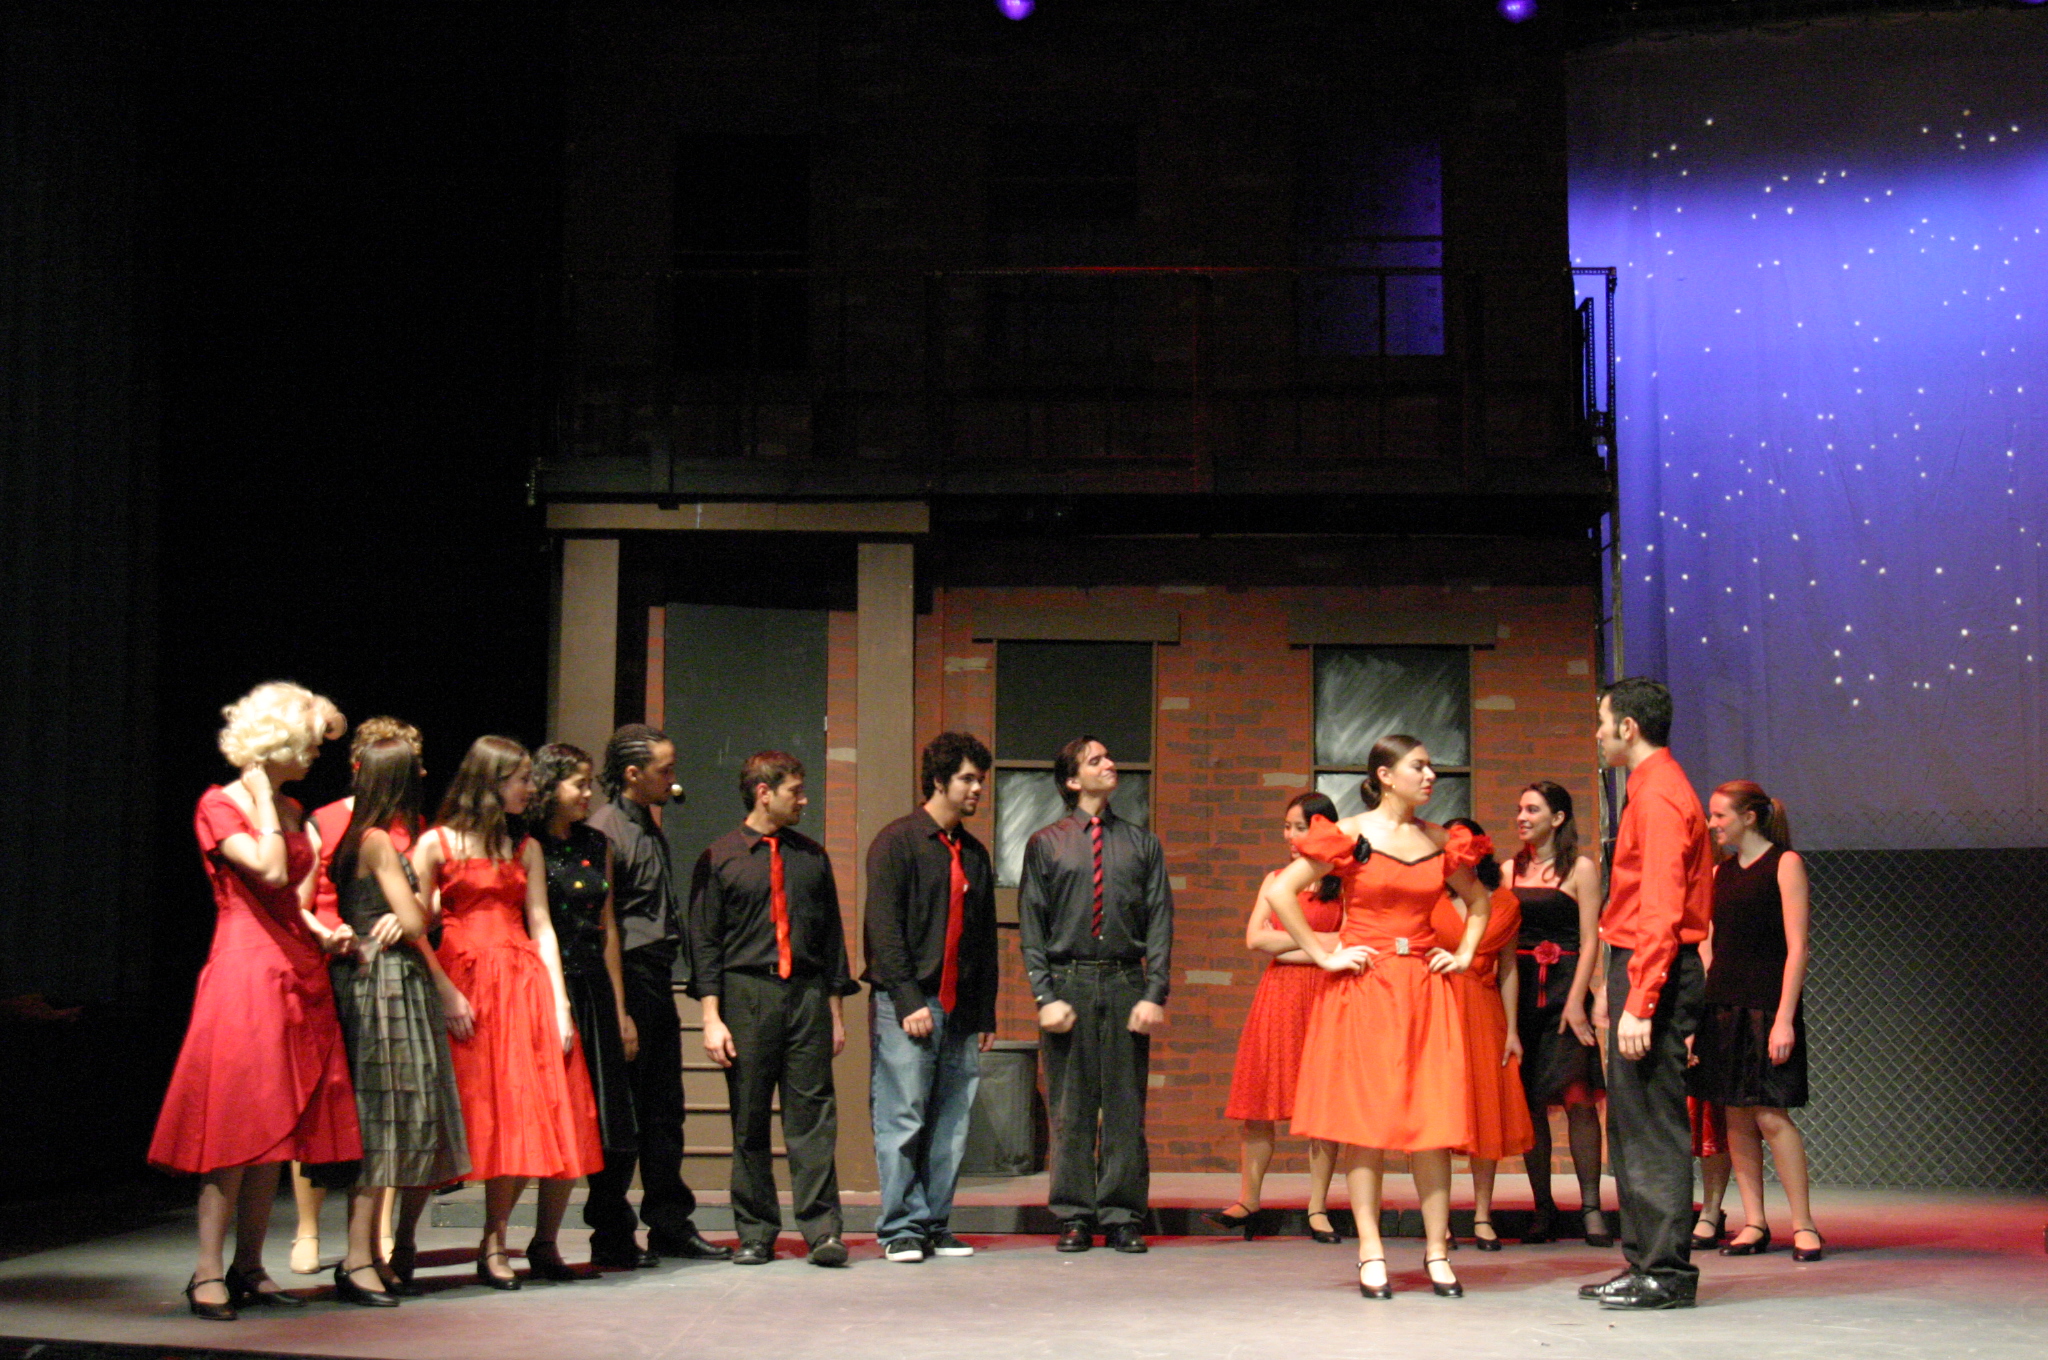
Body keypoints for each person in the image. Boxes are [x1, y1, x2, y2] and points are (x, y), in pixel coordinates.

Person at [149, 682, 357, 1321]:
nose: (316, 756)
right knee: (236, 1123)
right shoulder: (221, 803)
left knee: (281, 1124)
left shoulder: (292, 809)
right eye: (309, 744)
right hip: (245, 970)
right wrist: (264, 799)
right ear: (278, 743)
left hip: (296, 966)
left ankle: (249, 1264)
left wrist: (325, 931)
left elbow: (293, 896)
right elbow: (266, 869)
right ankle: (208, 1269)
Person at [1262, 735, 1492, 1300]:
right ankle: (1371, 1250)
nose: (1430, 775)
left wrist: (1464, 954)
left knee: (1432, 1125)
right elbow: (1284, 892)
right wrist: (1324, 954)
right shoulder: (1350, 835)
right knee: (1365, 1126)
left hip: (1424, 989)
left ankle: (1437, 1252)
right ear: (1385, 775)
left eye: (1431, 766)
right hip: (1365, 988)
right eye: (1419, 766)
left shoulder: (1439, 840)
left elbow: (1479, 902)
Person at [412, 736, 604, 1290]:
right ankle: (400, 1240)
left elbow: (541, 923)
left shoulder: (525, 848)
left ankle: (495, 1240)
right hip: (465, 979)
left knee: (521, 1112)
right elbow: (415, 925)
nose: (529, 788)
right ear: (491, 781)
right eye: (520, 778)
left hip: (521, 982)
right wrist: (444, 990)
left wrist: (559, 1002)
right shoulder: (436, 843)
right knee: (453, 1113)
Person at [689, 751, 857, 1267]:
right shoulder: (720, 858)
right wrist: (711, 1017)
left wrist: (834, 1012)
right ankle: (756, 1232)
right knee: (749, 1117)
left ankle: (822, 1231)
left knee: (813, 1117)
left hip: (806, 993)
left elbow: (831, 939)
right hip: (746, 994)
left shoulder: (812, 857)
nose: (803, 800)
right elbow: (705, 944)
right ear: (764, 792)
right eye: (794, 791)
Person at [1577, 677, 1714, 1310]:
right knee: (1632, 1124)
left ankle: (1666, 1271)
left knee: (1653, 1126)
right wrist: (1620, 984)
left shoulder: (1659, 794)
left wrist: (1642, 998)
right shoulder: (1648, 787)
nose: (1598, 733)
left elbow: (1661, 907)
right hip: (1639, 961)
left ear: (1627, 727)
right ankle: (1644, 1263)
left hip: (1656, 965)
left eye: (1603, 721)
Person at [324, 736, 470, 1307]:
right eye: (416, 769)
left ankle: (371, 1255)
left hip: (387, 979)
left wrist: (404, 913)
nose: (425, 775)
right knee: (381, 1119)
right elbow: (415, 919)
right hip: (382, 984)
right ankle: (356, 1257)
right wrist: (404, 910)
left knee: (394, 1118)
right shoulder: (377, 840)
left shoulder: (363, 836)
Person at [1018, 736, 1174, 1255]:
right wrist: (1044, 995)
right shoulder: (1047, 844)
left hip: (1126, 980)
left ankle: (1123, 1215)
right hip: (1070, 981)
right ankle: (1074, 1215)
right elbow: (1032, 925)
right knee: (1071, 1107)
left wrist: (1155, 991)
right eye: (1095, 760)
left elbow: (1160, 921)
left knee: (1125, 1105)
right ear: (1072, 779)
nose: (1109, 763)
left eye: (1109, 756)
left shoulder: (1142, 844)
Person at [293, 716, 427, 1278]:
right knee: (367, 1111)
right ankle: (333, 1241)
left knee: (381, 1112)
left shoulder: (397, 829)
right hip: (359, 967)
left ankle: (370, 1245)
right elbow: (307, 897)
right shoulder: (354, 830)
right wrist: (338, 931)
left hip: (374, 965)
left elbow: (419, 908)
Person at [862, 732, 1000, 1263]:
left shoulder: (974, 853)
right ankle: (900, 1226)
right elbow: (883, 929)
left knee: (952, 1121)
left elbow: (983, 940)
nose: (977, 789)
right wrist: (907, 1000)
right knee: (903, 1116)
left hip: (960, 1007)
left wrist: (985, 1012)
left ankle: (935, 1223)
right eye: (968, 779)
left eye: (980, 780)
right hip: (912, 1002)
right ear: (939, 781)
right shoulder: (897, 842)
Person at [1689, 781, 1822, 1262]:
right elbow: (1706, 946)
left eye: (1720, 815)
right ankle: (1754, 1222)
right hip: (1722, 1007)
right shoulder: (1719, 873)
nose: (1713, 824)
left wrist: (1784, 1018)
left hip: (1767, 1006)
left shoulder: (1784, 864)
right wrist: (1698, 1017)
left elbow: (1798, 947)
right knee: (1735, 1115)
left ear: (1748, 817)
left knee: (1770, 1113)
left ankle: (1803, 1224)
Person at [1207, 790, 1342, 1244]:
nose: (1289, 835)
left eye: (1298, 827)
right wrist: (1318, 944)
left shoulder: (1345, 882)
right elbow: (1254, 939)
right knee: (1259, 1099)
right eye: (1287, 826)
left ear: (1321, 829)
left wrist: (1288, 943)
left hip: (1326, 996)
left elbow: (1350, 940)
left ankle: (1318, 1206)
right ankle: (1249, 1199)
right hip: (1279, 995)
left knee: (1323, 1105)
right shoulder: (1276, 879)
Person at [531, 742, 640, 1278]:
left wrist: (619, 1007)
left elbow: (608, 927)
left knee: (609, 1116)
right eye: (578, 783)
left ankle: (609, 1234)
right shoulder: (525, 842)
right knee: (551, 1113)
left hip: (593, 984)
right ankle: (524, 1241)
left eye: (590, 782)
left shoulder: (597, 843)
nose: (588, 793)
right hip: (544, 986)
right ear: (549, 786)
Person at [1507, 781, 1613, 1246]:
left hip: (1567, 990)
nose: (1522, 816)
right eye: (1520, 809)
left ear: (1558, 817)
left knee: (1578, 1099)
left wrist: (1575, 1000)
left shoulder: (1580, 868)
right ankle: (1542, 1208)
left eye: (1532, 809)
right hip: (1523, 993)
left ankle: (1591, 1207)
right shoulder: (1510, 870)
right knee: (1530, 1104)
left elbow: (1591, 940)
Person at [1431, 817, 1534, 1250]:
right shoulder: (1430, 895)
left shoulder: (1504, 902)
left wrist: (1512, 1029)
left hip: (1483, 1008)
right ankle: (1438, 1220)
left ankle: (1482, 1214)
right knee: (1437, 1111)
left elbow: (1508, 967)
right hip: (1436, 1005)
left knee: (1485, 1109)